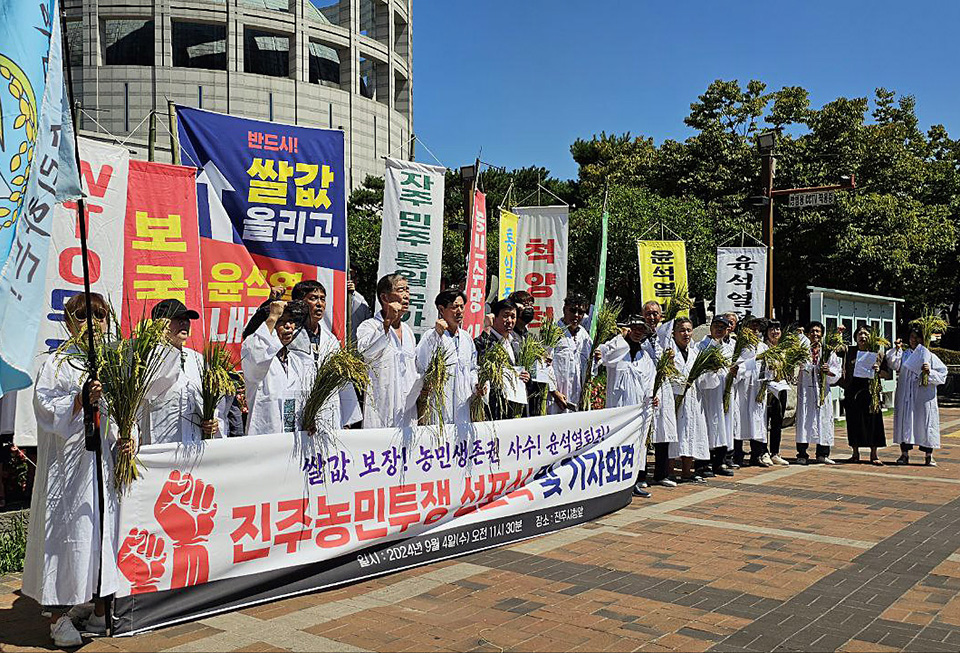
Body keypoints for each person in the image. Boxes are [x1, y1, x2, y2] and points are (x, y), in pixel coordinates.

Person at [23, 293, 120, 646]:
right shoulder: (57, 363)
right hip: (67, 469)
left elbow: (123, 411)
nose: (93, 324)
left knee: (100, 533)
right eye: (83, 316)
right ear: (68, 323)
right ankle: (57, 615)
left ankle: (98, 606)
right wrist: (78, 399)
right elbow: (45, 408)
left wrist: (128, 436)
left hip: (101, 465)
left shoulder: (111, 364)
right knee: (66, 536)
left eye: (100, 316)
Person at [140, 298, 224, 445]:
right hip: (162, 443)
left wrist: (213, 422)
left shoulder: (198, 359)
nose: (184, 323)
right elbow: (151, 391)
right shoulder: (147, 358)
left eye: (186, 319)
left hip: (195, 443)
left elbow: (213, 401)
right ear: (160, 323)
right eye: (177, 319)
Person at [594, 315, 658, 497]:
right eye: (635, 328)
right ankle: (612, 482)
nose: (638, 333)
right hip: (618, 407)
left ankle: (633, 481)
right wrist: (621, 337)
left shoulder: (645, 357)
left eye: (642, 330)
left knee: (636, 444)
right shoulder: (618, 348)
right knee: (616, 442)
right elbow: (605, 356)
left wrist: (653, 397)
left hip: (639, 408)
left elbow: (650, 381)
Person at [241, 300, 316, 435]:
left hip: (293, 437)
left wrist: (308, 420)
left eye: (291, 321)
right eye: (281, 321)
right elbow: (257, 352)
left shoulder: (296, 361)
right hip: (264, 435)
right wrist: (273, 316)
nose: (288, 326)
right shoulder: (255, 355)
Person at [356, 273, 420, 429]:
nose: (406, 295)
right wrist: (387, 323)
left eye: (407, 290)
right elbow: (367, 352)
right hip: (382, 406)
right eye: (401, 290)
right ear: (385, 298)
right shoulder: (369, 326)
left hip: (407, 409)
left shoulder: (408, 331)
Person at [417, 289, 480, 425]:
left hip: (462, 405)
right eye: (454, 307)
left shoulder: (467, 338)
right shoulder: (430, 336)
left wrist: (476, 386)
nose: (459, 311)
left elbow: (472, 369)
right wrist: (437, 334)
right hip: (439, 405)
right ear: (441, 309)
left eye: (462, 307)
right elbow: (422, 366)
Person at [887, 325, 948, 466]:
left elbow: (942, 375)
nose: (913, 340)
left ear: (923, 338)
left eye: (917, 337)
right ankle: (904, 454)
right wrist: (897, 349)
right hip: (906, 395)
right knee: (905, 421)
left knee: (925, 422)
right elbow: (893, 364)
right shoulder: (904, 355)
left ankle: (928, 455)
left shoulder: (929, 356)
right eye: (911, 337)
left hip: (923, 396)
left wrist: (929, 372)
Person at [670, 317, 714, 483]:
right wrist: (681, 384)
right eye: (682, 330)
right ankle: (670, 472)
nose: (686, 334)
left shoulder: (695, 353)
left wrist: (712, 371)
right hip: (674, 398)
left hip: (692, 398)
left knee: (690, 433)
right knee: (674, 434)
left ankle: (687, 472)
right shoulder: (669, 352)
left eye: (689, 330)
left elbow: (703, 380)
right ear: (674, 333)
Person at [841, 326, 891, 464]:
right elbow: (836, 349)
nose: (862, 336)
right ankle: (855, 453)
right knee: (853, 421)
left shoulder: (877, 353)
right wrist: (839, 334)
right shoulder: (850, 351)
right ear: (855, 337)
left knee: (873, 422)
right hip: (853, 391)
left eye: (866, 334)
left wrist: (878, 370)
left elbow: (887, 374)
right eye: (860, 334)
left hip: (871, 391)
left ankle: (874, 455)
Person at [474, 298, 530, 420]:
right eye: (505, 316)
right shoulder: (482, 341)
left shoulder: (517, 341)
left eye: (513, 317)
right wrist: (487, 327)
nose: (510, 321)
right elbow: (483, 361)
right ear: (494, 317)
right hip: (493, 408)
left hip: (515, 406)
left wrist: (526, 375)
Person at [795, 321, 842, 464]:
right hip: (806, 391)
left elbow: (837, 370)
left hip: (822, 391)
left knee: (824, 420)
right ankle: (802, 454)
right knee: (804, 420)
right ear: (808, 334)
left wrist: (829, 371)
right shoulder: (802, 351)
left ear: (822, 334)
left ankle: (823, 453)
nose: (815, 334)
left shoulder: (828, 351)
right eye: (812, 331)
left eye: (818, 331)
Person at [697, 315, 735, 476]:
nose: (719, 330)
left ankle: (720, 462)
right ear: (711, 327)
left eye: (723, 327)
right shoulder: (701, 346)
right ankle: (702, 464)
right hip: (708, 394)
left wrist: (734, 373)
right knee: (706, 426)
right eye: (717, 326)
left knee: (723, 427)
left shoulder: (729, 349)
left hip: (724, 393)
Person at [732, 317, 771, 467]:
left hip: (758, 388)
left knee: (757, 421)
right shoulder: (740, 346)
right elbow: (737, 365)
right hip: (742, 388)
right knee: (739, 421)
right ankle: (737, 455)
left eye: (757, 327)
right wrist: (744, 368)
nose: (755, 330)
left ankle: (757, 455)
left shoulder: (763, 347)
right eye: (751, 327)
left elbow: (767, 367)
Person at [549, 294, 593, 414]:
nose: (576, 315)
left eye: (581, 312)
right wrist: (554, 392)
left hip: (577, 397)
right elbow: (542, 366)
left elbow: (590, 366)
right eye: (573, 310)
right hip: (556, 398)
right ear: (564, 310)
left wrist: (596, 358)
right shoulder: (552, 333)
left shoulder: (584, 335)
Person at [508, 290, 546, 415]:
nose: (529, 308)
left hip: (528, 399)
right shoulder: (507, 336)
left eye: (531, 305)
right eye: (525, 305)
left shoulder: (529, 337)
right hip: (511, 398)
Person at [763, 320, 791, 466]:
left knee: (777, 421)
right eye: (772, 329)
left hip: (781, 388)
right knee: (763, 421)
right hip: (766, 388)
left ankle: (775, 452)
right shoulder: (762, 348)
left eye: (777, 329)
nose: (775, 332)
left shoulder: (784, 349)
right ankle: (763, 452)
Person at [348, 266, 373, 344]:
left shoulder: (361, 301)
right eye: (347, 277)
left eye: (352, 278)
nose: (349, 281)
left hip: (353, 346)